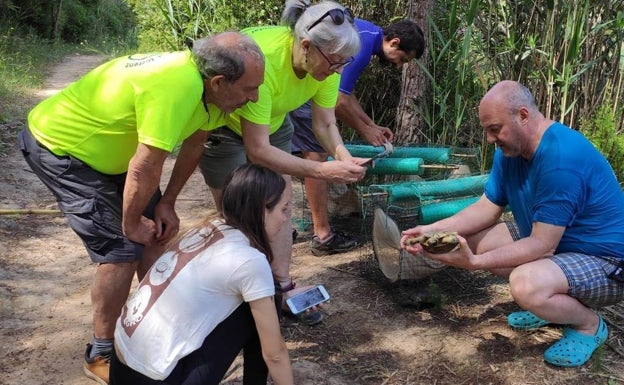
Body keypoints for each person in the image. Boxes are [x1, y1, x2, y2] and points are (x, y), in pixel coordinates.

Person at [17, 32, 264, 385]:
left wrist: (167, 203)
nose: (254, 97)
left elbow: (195, 144)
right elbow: (144, 166)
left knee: (158, 235)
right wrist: (131, 222)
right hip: (62, 148)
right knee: (122, 250)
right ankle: (101, 353)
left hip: (114, 159)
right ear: (220, 82)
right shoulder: (174, 87)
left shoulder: (212, 94)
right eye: (249, 89)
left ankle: (156, 330)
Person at [401, 80, 624, 367]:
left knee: (525, 284)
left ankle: (588, 324)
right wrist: (432, 230)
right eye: (487, 131)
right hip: (560, 239)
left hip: (607, 261)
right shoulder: (510, 152)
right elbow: (486, 208)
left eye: (495, 129)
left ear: (523, 115)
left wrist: (475, 263)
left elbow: (542, 244)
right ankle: (551, 307)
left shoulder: (561, 160)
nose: (490, 138)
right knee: (481, 242)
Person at [199, 0, 366, 325]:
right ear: (306, 46)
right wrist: (321, 170)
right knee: (240, 214)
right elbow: (257, 150)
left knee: (281, 205)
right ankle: (242, 299)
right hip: (224, 121)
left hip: (272, 121)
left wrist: (342, 157)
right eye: (334, 63)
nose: (339, 71)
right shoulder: (267, 62)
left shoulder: (330, 60)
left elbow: (325, 123)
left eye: (344, 63)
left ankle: (282, 288)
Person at [109, 164, 294, 385]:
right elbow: (275, 354)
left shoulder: (206, 229)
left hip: (121, 367)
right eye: (283, 209)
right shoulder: (249, 260)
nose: (285, 219)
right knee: (266, 300)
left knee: (263, 296)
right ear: (262, 209)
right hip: (155, 377)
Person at [289, 18, 425, 256]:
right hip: (304, 91)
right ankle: (323, 235)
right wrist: (365, 131)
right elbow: (339, 102)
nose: (397, 66)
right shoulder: (361, 43)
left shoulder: (367, 34)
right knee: (316, 156)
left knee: (310, 152)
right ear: (393, 42)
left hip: (308, 88)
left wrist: (371, 125)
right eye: (402, 59)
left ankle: (277, 224)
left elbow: (345, 94)